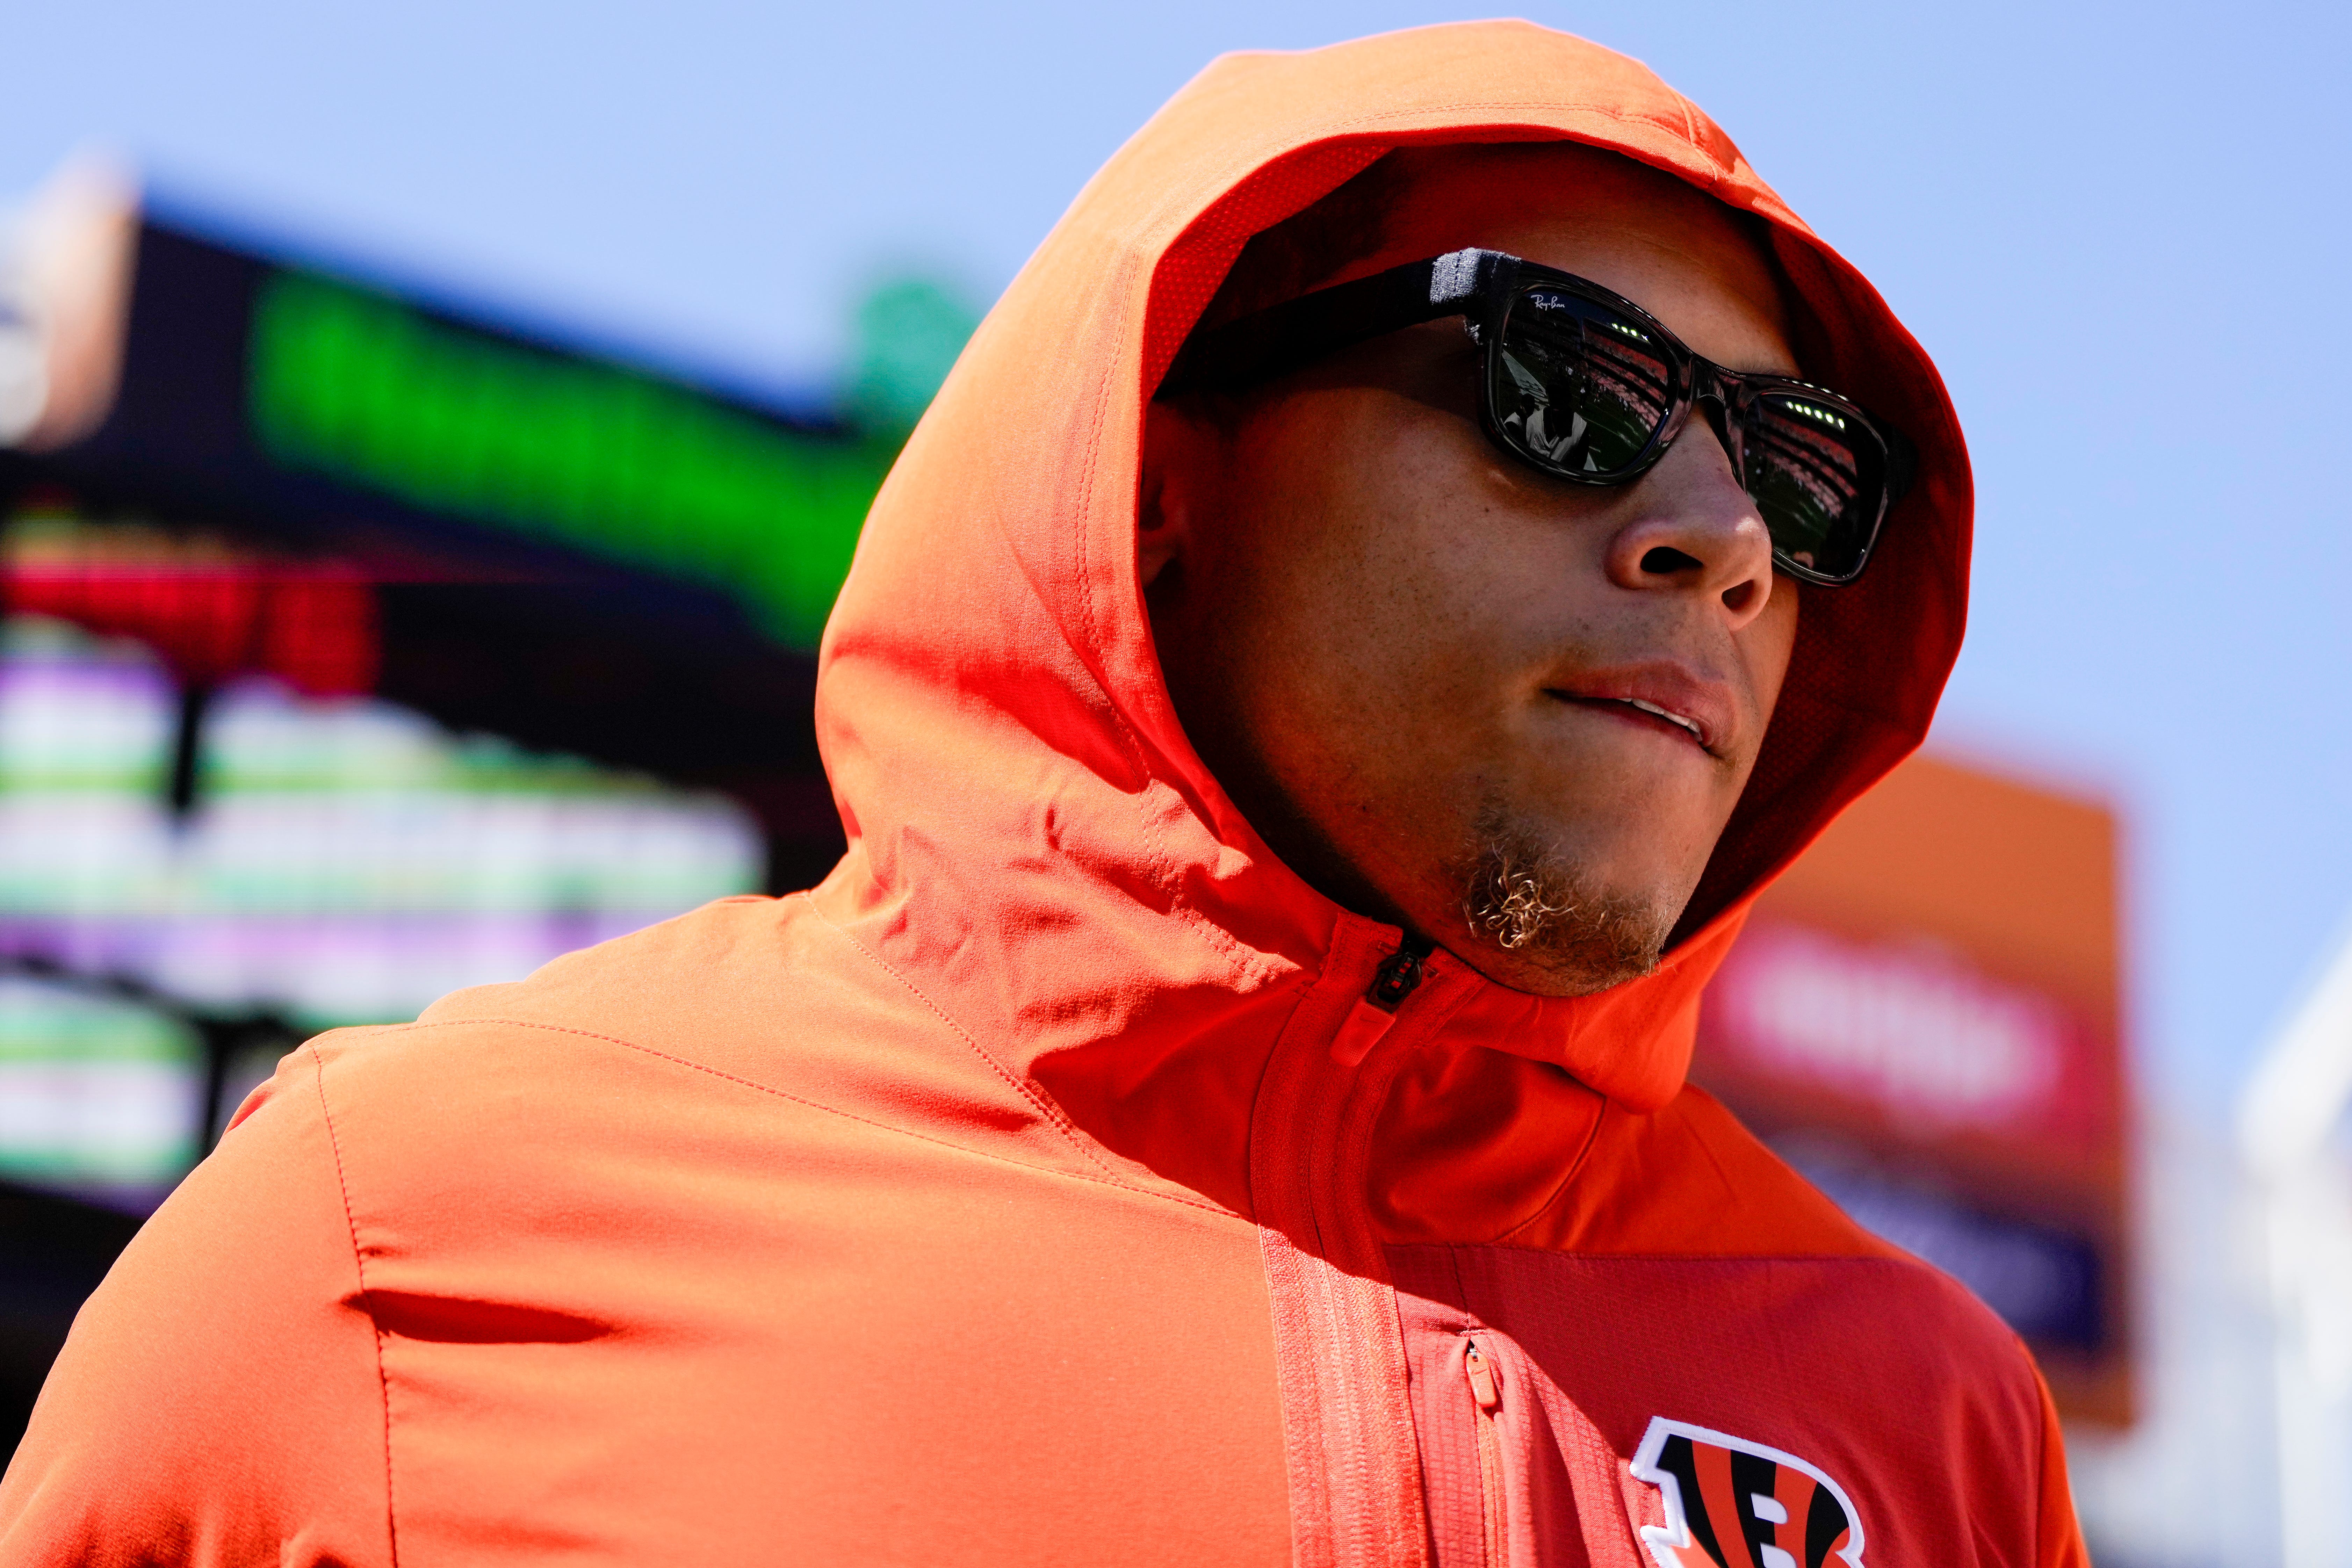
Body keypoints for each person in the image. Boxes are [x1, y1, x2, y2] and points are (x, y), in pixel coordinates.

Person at [0, 22, 2086, 1567]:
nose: (1723, 536)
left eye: (1804, 477)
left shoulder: (1936, 1423)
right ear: (1167, 470)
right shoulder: (390, 1234)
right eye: (1579, 382)